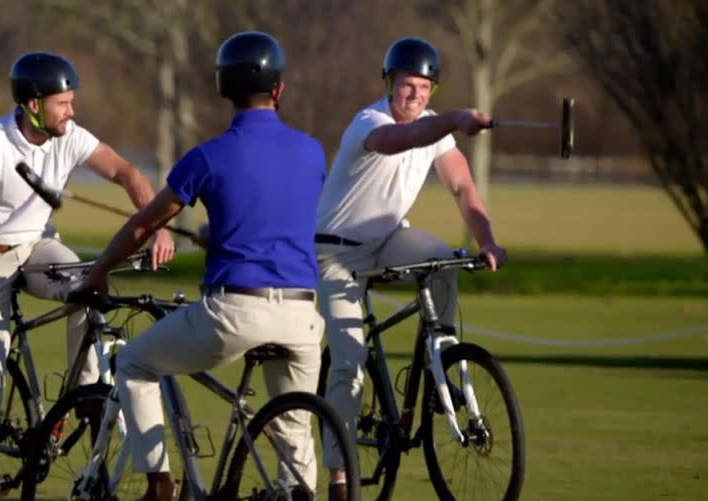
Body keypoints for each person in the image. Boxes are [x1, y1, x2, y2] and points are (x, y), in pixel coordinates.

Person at [76, 31, 329, 501]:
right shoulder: (312, 152)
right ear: (279, 89)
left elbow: (142, 227)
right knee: (294, 430)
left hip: (235, 312)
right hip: (303, 316)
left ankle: (159, 483)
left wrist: (99, 272)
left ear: (223, 89)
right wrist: (222, 234)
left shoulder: (207, 157)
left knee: (133, 363)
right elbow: (273, 214)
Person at [0, 51, 176, 499]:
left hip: (39, 245)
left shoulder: (69, 136)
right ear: (33, 104)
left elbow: (125, 171)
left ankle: (85, 399)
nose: (72, 111)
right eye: (64, 103)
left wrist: (155, 226)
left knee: (90, 287)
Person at [314, 37, 508, 485]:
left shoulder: (433, 127)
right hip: (335, 252)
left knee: (443, 260)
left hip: (385, 241)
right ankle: (340, 476)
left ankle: (438, 356)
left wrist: (488, 241)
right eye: (408, 86)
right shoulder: (370, 122)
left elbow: (462, 188)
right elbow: (400, 140)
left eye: (425, 88)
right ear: (389, 83)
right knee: (348, 361)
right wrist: (455, 120)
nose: (416, 95)